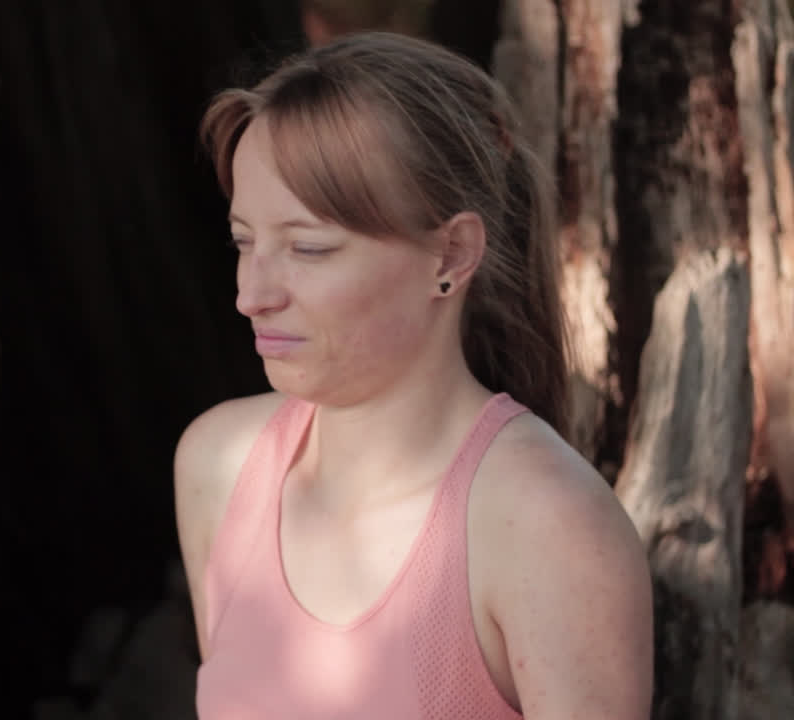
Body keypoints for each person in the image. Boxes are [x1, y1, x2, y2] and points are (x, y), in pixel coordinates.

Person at [173, 32, 653, 719]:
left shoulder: (547, 523)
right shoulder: (216, 467)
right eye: (245, 241)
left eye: (309, 248)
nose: (253, 293)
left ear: (451, 255)